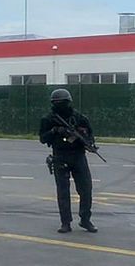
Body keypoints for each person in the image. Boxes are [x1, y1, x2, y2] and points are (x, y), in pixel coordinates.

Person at [39, 88, 97, 234]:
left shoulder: (79, 118)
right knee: (63, 192)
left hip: (78, 156)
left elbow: (90, 136)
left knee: (86, 189)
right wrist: (55, 131)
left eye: (63, 102)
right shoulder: (48, 119)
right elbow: (42, 138)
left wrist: (87, 141)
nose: (61, 105)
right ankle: (65, 222)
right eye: (58, 103)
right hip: (60, 156)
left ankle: (85, 219)